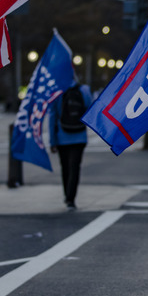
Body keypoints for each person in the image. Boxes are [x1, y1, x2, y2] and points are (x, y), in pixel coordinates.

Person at [49, 83, 92, 211]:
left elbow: (52, 116)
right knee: (75, 167)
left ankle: (67, 195)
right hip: (79, 136)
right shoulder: (84, 90)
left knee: (65, 168)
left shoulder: (57, 91)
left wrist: (52, 141)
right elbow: (89, 109)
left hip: (62, 137)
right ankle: (71, 198)